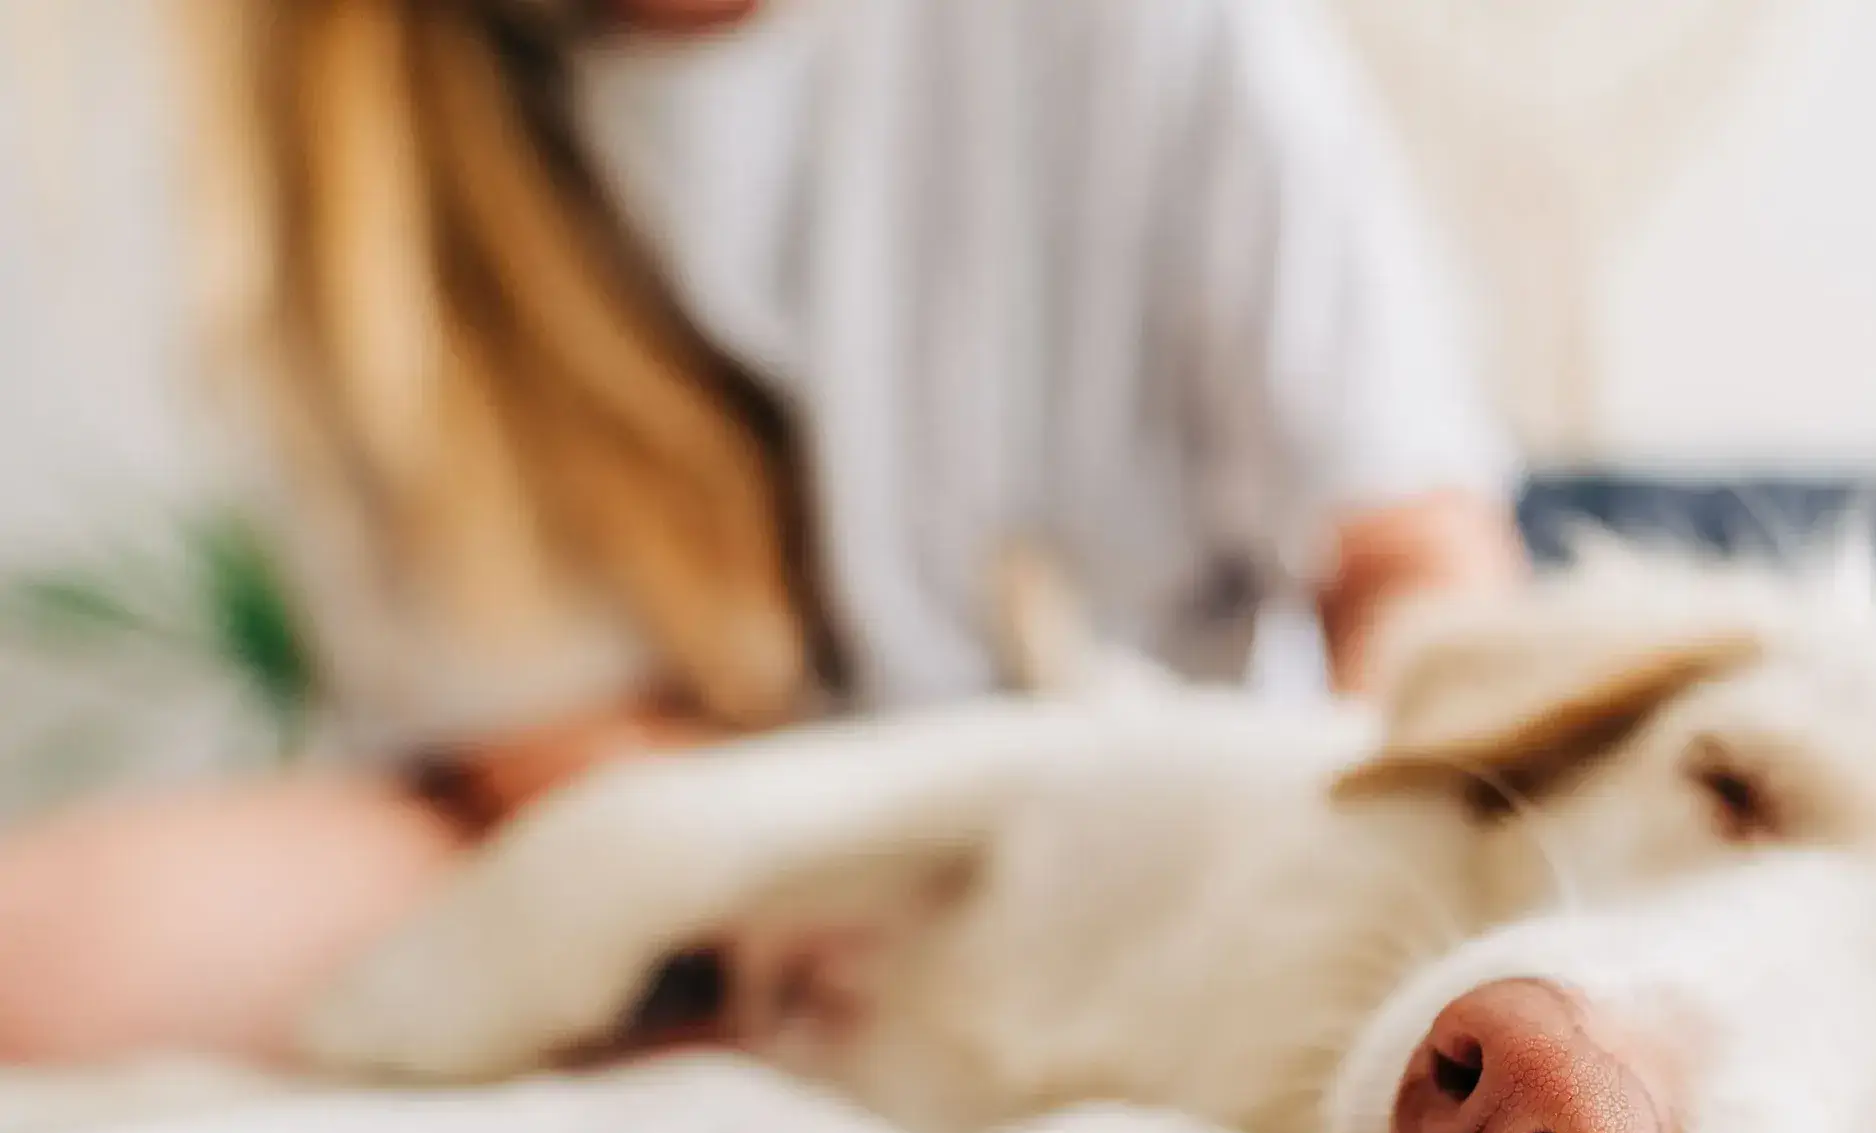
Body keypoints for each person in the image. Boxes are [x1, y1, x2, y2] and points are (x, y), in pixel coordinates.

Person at [0, 0, 1523, 1064]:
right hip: (712, 836)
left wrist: (1386, 840)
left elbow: (1415, 570)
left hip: (1148, 817)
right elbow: (561, 755)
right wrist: (829, 927)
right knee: (43, 941)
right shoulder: (367, 161)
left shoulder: (1148, 30)